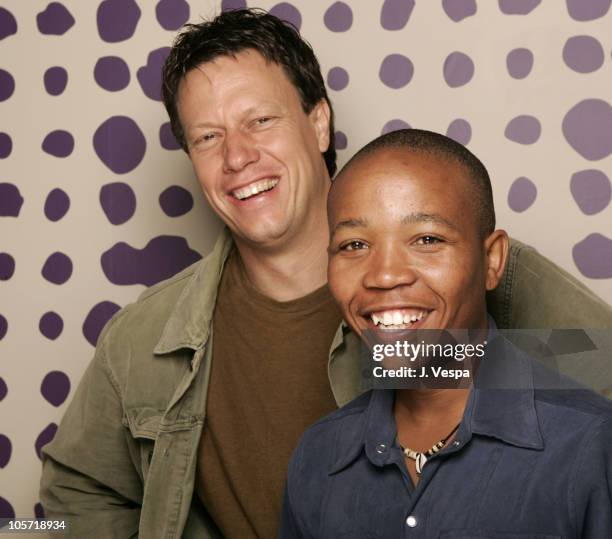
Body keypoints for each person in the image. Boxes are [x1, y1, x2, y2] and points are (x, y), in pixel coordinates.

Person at [39, 8, 612, 539]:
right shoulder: (147, 338)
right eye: (208, 137)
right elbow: (65, 505)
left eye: (260, 121)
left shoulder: (468, 273)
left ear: (318, 124)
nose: (237, 157)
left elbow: (585, 401)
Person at [280, 128, 612, 538]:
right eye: (353, 245)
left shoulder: (592, 444)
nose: (384, 275)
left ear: (491, 260)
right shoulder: (317, 458)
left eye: (427, 239)